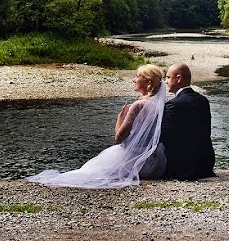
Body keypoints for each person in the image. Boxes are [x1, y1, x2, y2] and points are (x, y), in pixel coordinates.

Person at [27, 64, 167, 188]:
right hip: (153, 163)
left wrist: (120, 118)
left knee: (89, 172)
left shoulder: (138, 105)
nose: (134, 79)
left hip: (133, 164)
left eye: (138, 76)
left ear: (147, 81)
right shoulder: (159, 105)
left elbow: (119, 139)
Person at [159, 62, 215, 180]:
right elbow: (206, 132)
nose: (166, 81)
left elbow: (164, 136)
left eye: (168, 77)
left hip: (183, 167)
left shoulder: (173, 104)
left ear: (178, 79)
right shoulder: (203, 100)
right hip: (206, 163)